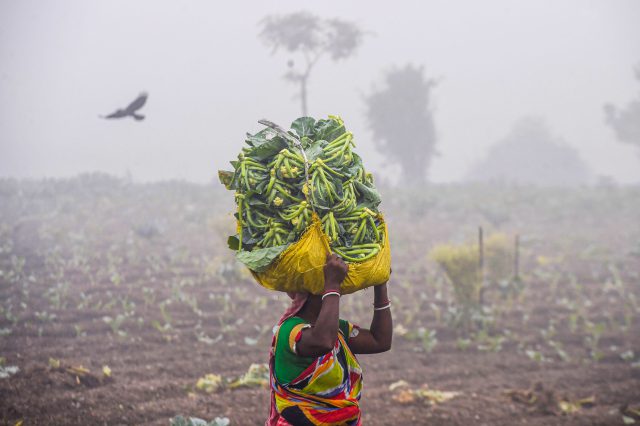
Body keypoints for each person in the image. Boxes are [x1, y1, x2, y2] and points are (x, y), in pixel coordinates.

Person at [266, 254, 393, 425]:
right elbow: (324, 342)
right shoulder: (289, 330)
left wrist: (381, 285)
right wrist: (332, 285)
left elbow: (380, 341)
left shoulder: (337, 330)